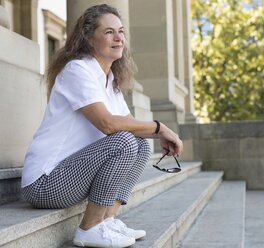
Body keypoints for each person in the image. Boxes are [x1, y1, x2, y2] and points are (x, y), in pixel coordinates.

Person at [21, 4, 183, 248]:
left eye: (121, 31)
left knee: (140, 143)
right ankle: (90, 228)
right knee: (124, 142)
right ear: (88, 38)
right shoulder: (78, 70)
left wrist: (157, 134)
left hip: (71, 175)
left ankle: (106, 220)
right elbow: (108, 124)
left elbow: (130, 124)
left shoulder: (108, 79)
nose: (118, 38)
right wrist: (161, 128)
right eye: (109, 32)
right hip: (45, 182)